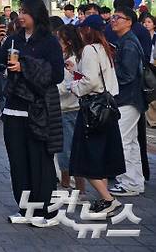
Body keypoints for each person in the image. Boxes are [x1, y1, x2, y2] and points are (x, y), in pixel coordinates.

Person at [0, 0, 64, 226]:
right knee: (18, 162)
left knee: (40, 161)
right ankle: (26, 209)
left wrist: (25, 66)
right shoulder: (14, 39)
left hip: (37, 110)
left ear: (37, 14)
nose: (21, 16)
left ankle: (47, 212)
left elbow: (57, 74)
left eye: (26, 12)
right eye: (20, 11)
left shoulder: (49, 42)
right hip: (13, 109)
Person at [68, 14, 125, 214]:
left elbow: (91, 81)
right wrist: (76, 68)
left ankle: (108, 199)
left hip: (92, 111)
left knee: (85, 158)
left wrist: (74, 86)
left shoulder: (90, 50)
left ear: (88, 31)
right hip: (106, 110)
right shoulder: (105, 48)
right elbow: (99, 77)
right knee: (98, 155)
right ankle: (106, 198)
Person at [108, 6, 146, 196]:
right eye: (113, 17)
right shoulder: (125, 41)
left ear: (129, 21)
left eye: (118, 17)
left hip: (128, 98)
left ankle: (129, 182)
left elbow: (127, 75)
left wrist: (108, 71)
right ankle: (133, 181)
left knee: (123, 141)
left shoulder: (128, 43)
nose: (113, 20)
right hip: (130, 99)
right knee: (130, 142)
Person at [54, 24, 86, 194]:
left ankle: (76, 189)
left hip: (69, 110)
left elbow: (66, 86)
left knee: (68, 152)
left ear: (66, 42)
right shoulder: (66, 58)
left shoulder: (71, 61)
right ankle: (69, 186)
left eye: (58, 39)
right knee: (65, 151)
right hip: (64, 110)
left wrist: (49, 89)